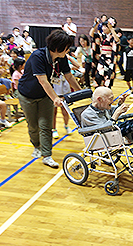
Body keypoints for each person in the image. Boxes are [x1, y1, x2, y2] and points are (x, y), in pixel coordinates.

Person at [18, 29, 81, 168]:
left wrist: (81, 92)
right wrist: (55, 98)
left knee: (45, 125)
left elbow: (69, 76)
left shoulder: (62, 58)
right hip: (27, 95)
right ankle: (36, 146)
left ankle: (47, 155)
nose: (68, 50)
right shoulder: (37, 56)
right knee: (33, 125)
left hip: (45, 96)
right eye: (66, 47)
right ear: (58, 47)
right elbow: (43, 81)